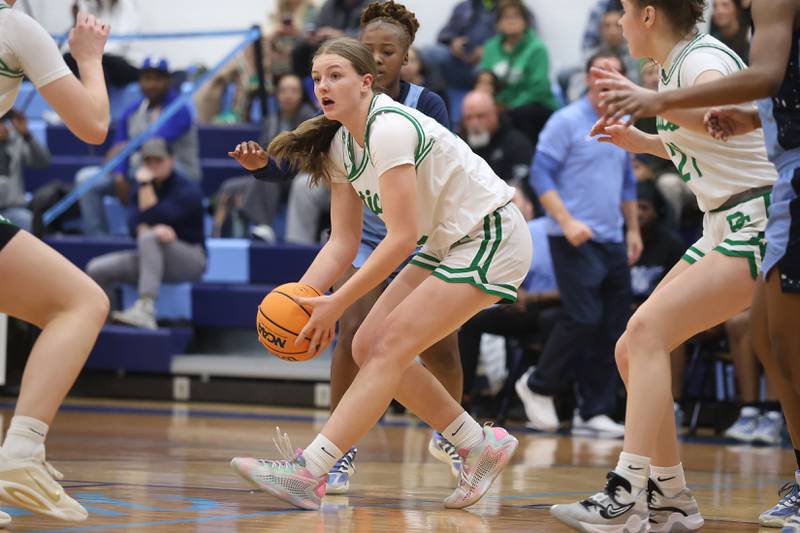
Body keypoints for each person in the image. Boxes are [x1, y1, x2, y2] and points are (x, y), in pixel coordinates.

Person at [227, 36, 530, 512]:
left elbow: (401, 238)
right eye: (317, 78)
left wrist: (339, 301)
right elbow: (342, 242)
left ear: (366, 83)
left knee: (387, 347)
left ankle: (311, 470)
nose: (322, 86)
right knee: (367, 345)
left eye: (335, 76)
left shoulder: (388, 127)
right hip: (446, 242)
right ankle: (477, 444)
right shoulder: (342, 144)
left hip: (489, 234)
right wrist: (306, 298)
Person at [552, 1, 779, 531]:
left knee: (648, 330)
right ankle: (671, 494)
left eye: (627, 12)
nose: (622, 22)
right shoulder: (680, 66)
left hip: (757, 218)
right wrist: (645, 142)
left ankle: (626, 490)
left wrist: (652, 107)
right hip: (723, 219)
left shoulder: (703, 65)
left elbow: (737, 131)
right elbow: (707, 146)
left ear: (649, 15)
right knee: (632, 347)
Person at [0, 1, 111, 525]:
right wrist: (88, 58)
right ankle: (21, 453)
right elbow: (92, 125)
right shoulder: (15, 27)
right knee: (81, 302)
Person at [514, 51, 640, 438]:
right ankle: (537, 384)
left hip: (612, 238)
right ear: (588, 79)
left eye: (617, 71)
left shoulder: (623, 121)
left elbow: (626, 182)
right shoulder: (565, 121)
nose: (609, 78)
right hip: (572, 237)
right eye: (602, 72)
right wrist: (565, 221)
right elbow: (540, 174)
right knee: (583, 316)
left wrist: (633, 229)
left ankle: (594, 409)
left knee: (613, 326)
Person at [86, 138, 206, 330]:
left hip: (190, 258)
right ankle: (105, 325)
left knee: (148, 237)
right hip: (151, 257)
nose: (153, 166)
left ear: (171, 160)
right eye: (148, 161)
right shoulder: (140, 187)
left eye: (158, 160)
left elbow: (156, 215)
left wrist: (148, 224)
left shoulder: (187, 189)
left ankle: (146, 307)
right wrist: (150, 227)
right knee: (96, 268)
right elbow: (133, 223)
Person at [458, 186, 560, 409]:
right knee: (471, 322)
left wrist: (531, 297)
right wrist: (514, 294)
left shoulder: (582, 235)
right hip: (524, 305)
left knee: (555, 319)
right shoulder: (528, 231)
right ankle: (463, 397)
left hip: (558, 308)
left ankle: (542, 391)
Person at [78, 56, 200, 236]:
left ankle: (139, 233)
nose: (152, 84)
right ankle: (98, 237)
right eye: (147, 79)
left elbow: (153, 145)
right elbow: (118, 147)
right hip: (139, 168)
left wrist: (124, 153)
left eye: (157, 79)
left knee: (144, 172)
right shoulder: (132, 110)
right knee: (86, 179)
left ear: (167, 81)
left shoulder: (179, 109)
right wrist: (119, 175)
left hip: (181, 172)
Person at [212, 73, 317, 239]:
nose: (288, 95)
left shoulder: (308, 117)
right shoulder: (271, 119)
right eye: (283, 90)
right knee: (229, 186)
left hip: (297, 174)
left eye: (293, 91)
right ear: (276, 94)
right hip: (272, 172)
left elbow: (303, 157)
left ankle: (263, 227)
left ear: (301, 94)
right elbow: (264, 151)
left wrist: (268, 161)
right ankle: (219, 235)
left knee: (268, 175)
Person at [460, 90, 534, 184]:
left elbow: (522, 186)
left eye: (480, 116)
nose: (474, 123)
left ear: (494, 113)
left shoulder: (516, 144)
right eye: (468, 118)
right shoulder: (461, 148)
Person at [62, 0, 140, 88]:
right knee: (68, 59)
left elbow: (121, 43)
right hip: (100, 56)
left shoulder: (127, 6)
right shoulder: (92, 6)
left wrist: (93, 51)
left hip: (126, 62)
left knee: (100, 64)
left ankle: (97, 100)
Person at [0, 109, 50, 231]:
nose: (1, 127)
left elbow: (43, 161)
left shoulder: (16, 141)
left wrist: (26, 135)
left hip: (12, 209)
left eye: (3, 122)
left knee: (28, 220)